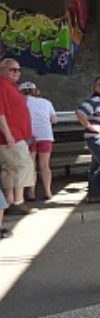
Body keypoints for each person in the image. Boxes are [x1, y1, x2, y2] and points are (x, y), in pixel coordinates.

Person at [0, 58, 35, 216]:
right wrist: (8, 135)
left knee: (9, 169)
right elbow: (0, 113)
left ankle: (8, 201)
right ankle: (18, 201)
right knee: (23, 165)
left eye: (18, 70)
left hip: (15, 135)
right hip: (11, 136)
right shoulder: (2, 85)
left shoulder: (11, 86)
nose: (16, 72)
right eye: (12, 69)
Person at [76, 75, 100, 203]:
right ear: (94, 87)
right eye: (99, 85)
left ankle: (94, 194)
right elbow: (80, 112)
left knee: (96, 167)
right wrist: (89, 126)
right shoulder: (95, 100)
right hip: (96, 138)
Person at [19, 82, 57, 201]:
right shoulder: (46, 102)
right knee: (44, 165)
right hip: (45, 135)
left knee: (31, 165)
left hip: (28, 136)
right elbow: (54, 119)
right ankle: (47, 191)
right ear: (36, 91)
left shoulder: (20, 102)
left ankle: (31, 193)